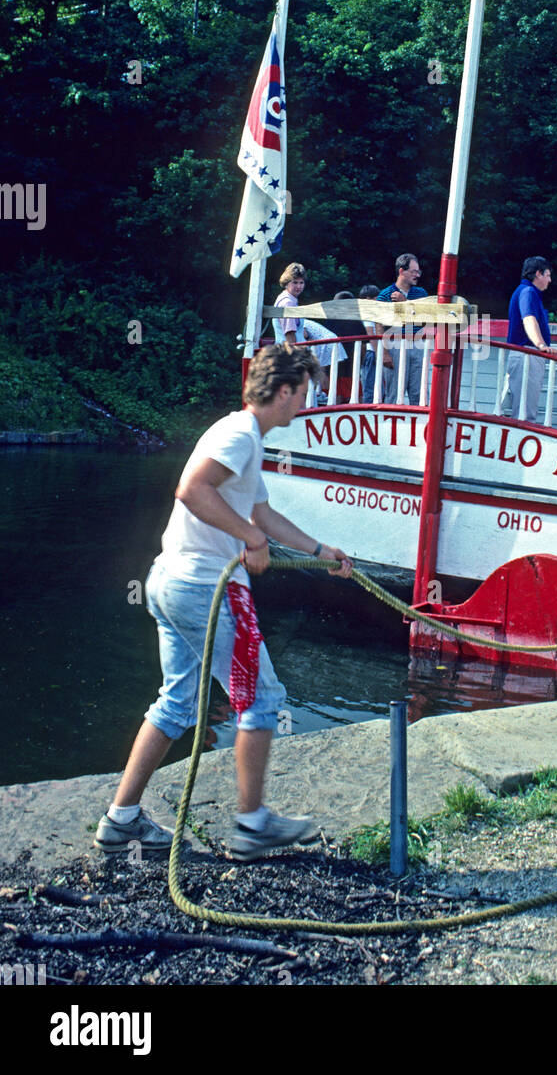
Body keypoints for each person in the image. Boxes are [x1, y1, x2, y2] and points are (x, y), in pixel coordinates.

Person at [93, 345, 353, 862]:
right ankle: (252, 825)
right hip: (203, 588)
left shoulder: (242, 436)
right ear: (284, 392)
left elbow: (260, 512)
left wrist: (320, 551)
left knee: (179, 703)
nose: (306, 402)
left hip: (169, 581)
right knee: (262, 699)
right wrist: (249, 540)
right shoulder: (238, 435)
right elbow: (191, 489)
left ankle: (120, 819)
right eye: (303, 393)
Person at [273, 263, 346, 399]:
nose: (299, 286)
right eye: (295, 282)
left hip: (293, 352)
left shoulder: (291, 300)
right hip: (291, 354)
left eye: (301, 282)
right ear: (286, 282)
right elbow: (290, 334)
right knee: (300, 396)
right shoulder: (287, 302)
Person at [503, 256, 553, 422]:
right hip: (528, 355)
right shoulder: (528, 292)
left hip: (524, 355)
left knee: (522, 409)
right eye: (547, 275)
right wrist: (541, 345)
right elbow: (529, 318)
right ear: (538, 274)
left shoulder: (524, 291)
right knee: (526, 414)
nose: (549, 280)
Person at [376, 253, 428, 404]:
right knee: (394, 392)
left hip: (418, 344)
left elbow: (424, 320)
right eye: (413, 271)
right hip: (394, 346)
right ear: (401, 271)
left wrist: (405, 302)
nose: (417, 275)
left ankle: (420, 426)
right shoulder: (385, 295)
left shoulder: (421, 293)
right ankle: (388, 424)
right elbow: (379, 325)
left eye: (418, 271)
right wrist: (384, 353)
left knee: (420, 392)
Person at [358, 284, 380, 403]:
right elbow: (371, 335)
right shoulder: (367, 315)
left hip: (373, 352)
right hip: (372, 352)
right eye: (375, 298)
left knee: (373, 384)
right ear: (367, 299)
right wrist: (380, 354)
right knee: (370, 385)